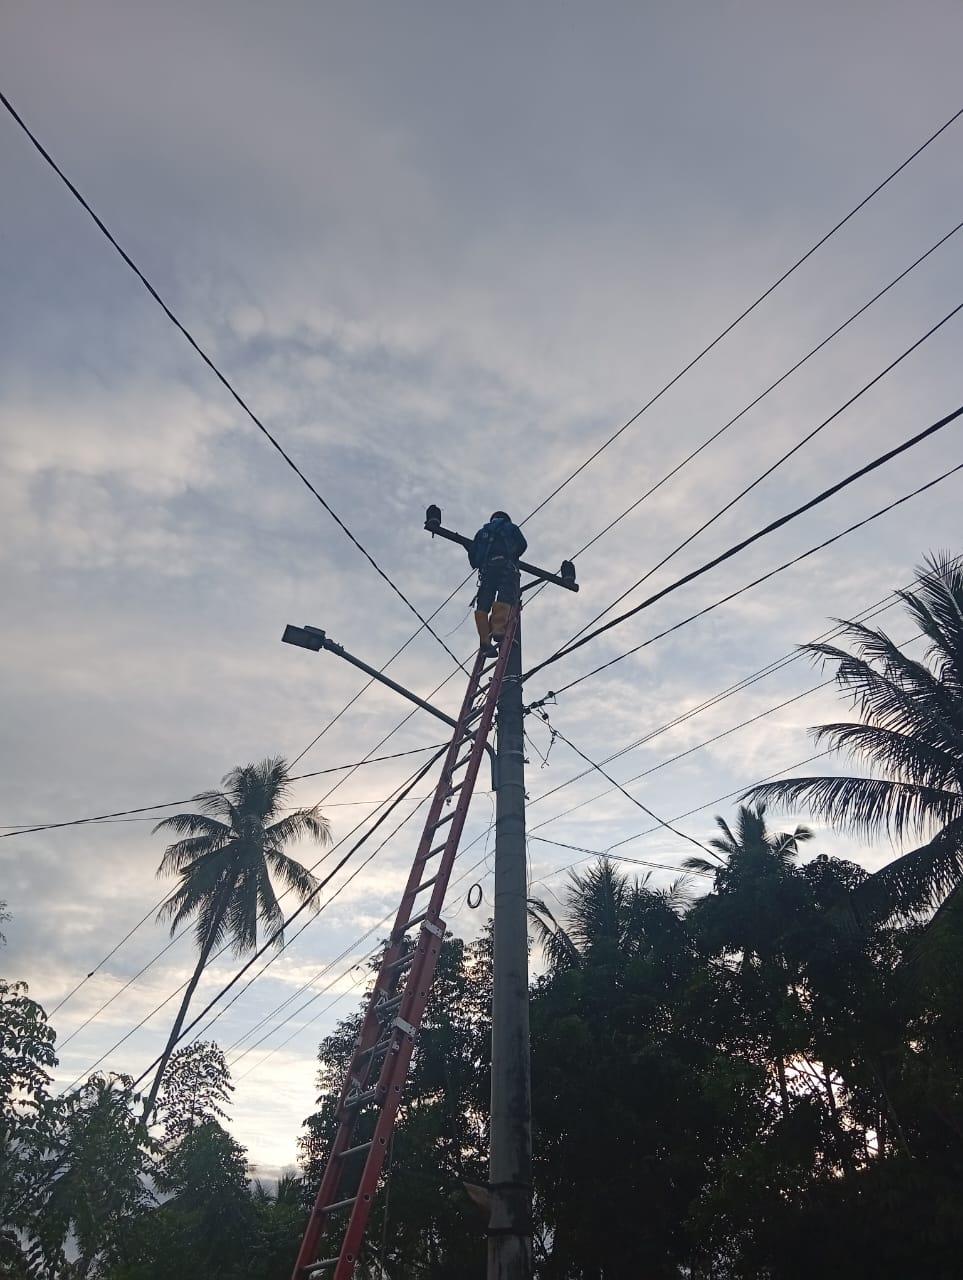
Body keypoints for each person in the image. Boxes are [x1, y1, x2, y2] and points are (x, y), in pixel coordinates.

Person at [468, 511, 527, 656]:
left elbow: (473, 554)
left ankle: (484, 641)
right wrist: (513, 556)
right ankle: (499, 630)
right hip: (505, 566)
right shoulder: (511, 527)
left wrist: (479, 563)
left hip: (488, 570)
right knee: (505, 596)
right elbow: (522, 545)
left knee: (483, 603)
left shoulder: (482, 532)